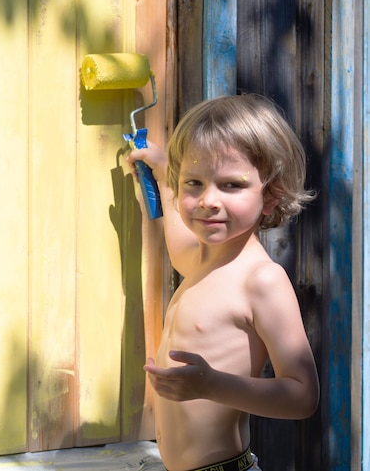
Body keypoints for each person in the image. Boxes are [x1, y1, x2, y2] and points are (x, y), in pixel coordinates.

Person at [126, 94, 320, 471]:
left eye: (231, 185)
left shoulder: (261, 280)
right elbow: (176, 228)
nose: (207, 201)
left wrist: (211, 385)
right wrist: (162, 169)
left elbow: (303, 395)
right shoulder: (199, 260)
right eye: (194, 183)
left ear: (271, 195)